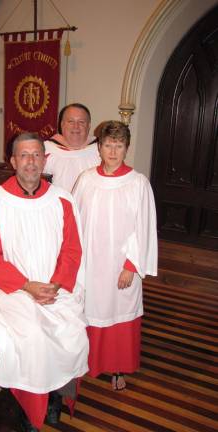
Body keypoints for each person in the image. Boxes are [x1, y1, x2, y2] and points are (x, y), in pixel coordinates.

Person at [0, 132, 89, 431]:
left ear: (45, 159)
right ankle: (29, 411)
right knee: (31, 336)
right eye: (24, 155)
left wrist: (56, 284)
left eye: (36, 154)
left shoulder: (62, 200)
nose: (31, 161)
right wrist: (27, 286)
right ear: (13, 161)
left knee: (73, 331)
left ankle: (55, 397)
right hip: (9, 289)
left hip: (54, 287)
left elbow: (73, 249)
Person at [73, 120, 157, 391]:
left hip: (121, 265)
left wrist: (131, 266)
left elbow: (143, 227)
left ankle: (118, 368)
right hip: (91, 263)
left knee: (120, 313)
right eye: (108, 145)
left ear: (126, 148)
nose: (112, 151)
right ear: (99, 147)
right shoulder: (86, 179)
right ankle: (89, 362)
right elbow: (73, 221)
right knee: (90, 310)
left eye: (118, 145)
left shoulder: (137, 183)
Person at [43, 103, 100, 192]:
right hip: (58, 204)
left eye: (81, 122)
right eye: (70, 121)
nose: (76, 127)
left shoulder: (101, 151)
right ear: (62, 125)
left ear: (88, 126)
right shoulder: (45, 149)